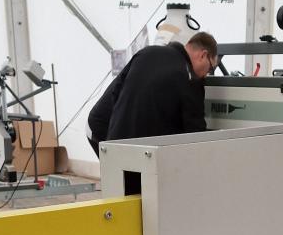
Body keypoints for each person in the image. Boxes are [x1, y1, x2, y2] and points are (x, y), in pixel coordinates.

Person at [87, 31, 217, 153]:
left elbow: (116, 91)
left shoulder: (147, 52)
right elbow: (195, 134)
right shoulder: (190, 78)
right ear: (203, 55)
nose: (206, 75)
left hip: (111, 138)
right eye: (210, 68)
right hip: (135, 149)